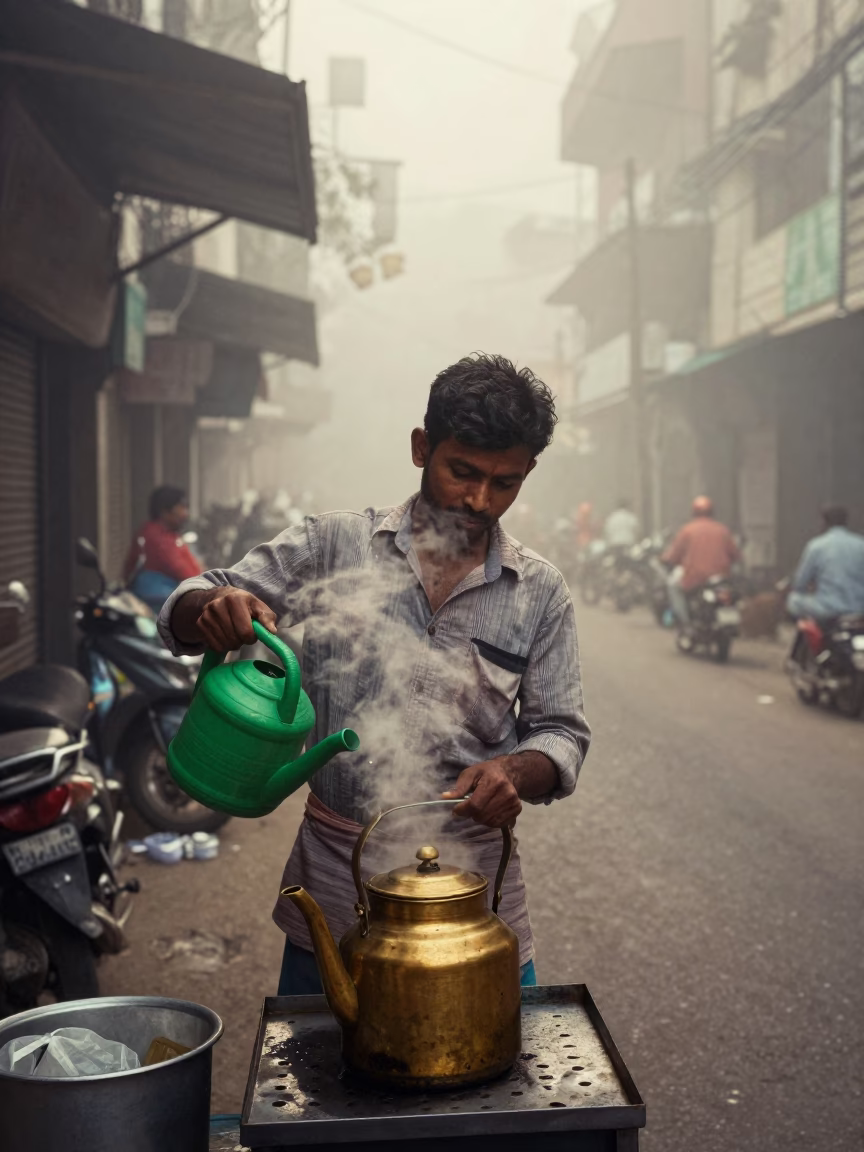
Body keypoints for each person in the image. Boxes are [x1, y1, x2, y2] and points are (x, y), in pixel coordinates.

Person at [158, 353, 591, 993]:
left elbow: (561, 734)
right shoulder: (334, 546)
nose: (478, 500)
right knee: (317, 1075)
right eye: (462, 472)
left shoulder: (540, 592)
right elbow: (198, 596)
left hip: (471, 895)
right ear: (422, 448)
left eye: (505, 484)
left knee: (491, 1082)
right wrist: (213, 608)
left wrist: (513, 772)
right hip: (336, 887)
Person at [662, 496, 740, 625]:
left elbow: (674, 555)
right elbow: (736, 555)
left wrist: (667, 559)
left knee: (673, 586)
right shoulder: (722, 530)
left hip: (694, 577)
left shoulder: (687, 530)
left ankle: (685, 621)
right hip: (721, 578)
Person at [124, 486, 202, 612]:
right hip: (158, 604)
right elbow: (179, 569)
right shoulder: (155, 536)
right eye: (181, 507)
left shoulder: (169, 535)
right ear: (165, 511)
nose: (185, 513)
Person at [787, 505, 864, 623]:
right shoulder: (860, 544)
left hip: (827, 609)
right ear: (845, 522)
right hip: (858, 609)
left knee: (793, 599)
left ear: (824, 522)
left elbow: (799, 584)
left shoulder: (816, 546)